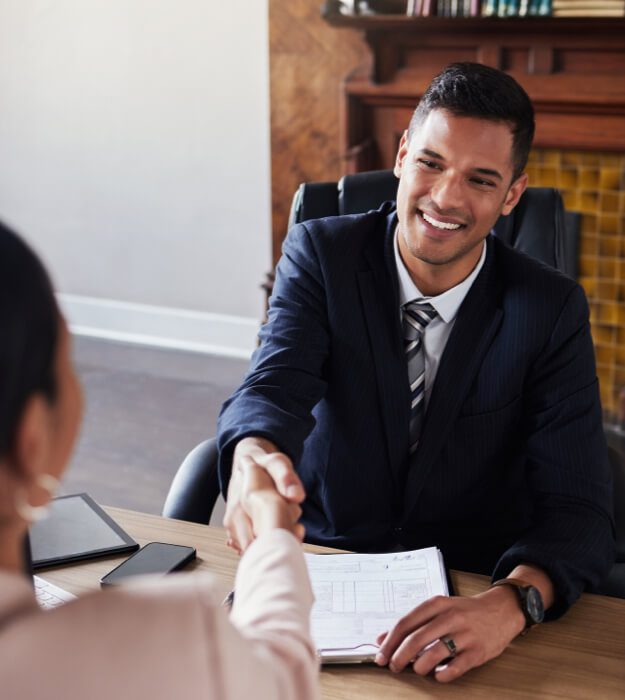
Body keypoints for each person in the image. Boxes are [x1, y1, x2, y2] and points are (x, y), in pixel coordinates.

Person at [217, 63, 614, 682]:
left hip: (470, 588)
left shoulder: (550, 308)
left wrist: (509, 605)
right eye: (431, 163)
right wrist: (252, 455)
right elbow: (273, 386)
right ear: (402, 155)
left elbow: (581, 507)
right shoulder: (321, 254)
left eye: (481, 179)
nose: (447, 198)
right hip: (326, 563)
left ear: (512, 195)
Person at [0, 223, 318, 699]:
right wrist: (271, 539)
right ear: (31, 441)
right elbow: (282, 673)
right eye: (69, 361)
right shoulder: (163, 651)